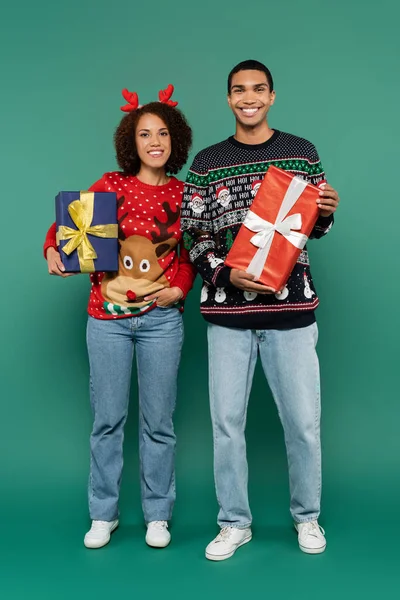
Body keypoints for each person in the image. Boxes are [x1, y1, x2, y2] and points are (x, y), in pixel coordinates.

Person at [180, 60, 340, 561]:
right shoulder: (206, 163)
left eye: (258, 89)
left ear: (272, 96)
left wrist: (327, 211)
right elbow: (194, 234)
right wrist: (225, 273)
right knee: (226, 423)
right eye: (238, 90)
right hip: (228, 315)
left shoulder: (302, 152)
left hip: (292, 310)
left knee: (303, 421)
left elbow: (311, 226)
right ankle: (234, 523)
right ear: (228, 99)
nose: (248, 97)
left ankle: (307, 517)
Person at [44, 85, 196, 549]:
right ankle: (102, 514)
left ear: (175, 141)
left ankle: (157, 515)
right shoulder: (111, 184)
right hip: (106, 321)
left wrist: (179, 288)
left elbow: (189, 259)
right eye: (145, 133)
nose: (154, 141)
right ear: (132, 141)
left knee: (159, 424)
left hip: (161, 323)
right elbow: (69, 226)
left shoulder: (185, 195)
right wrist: (53, 247)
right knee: (107, 420)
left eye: (163, 133)